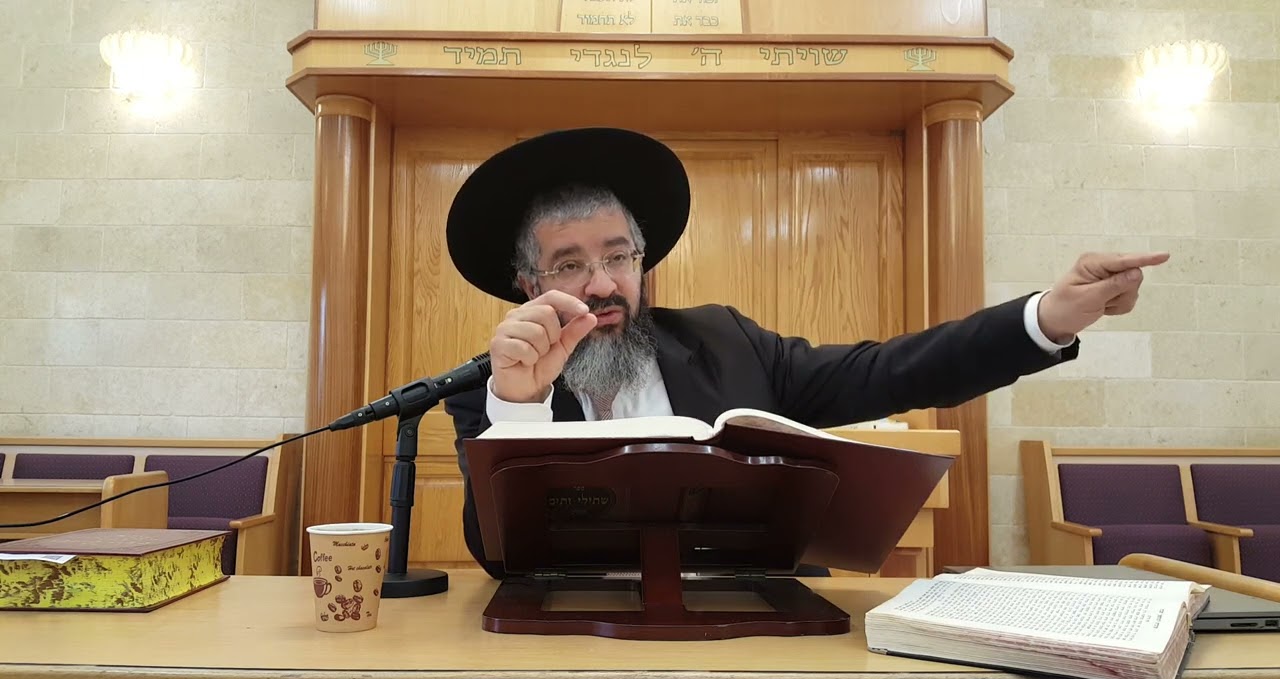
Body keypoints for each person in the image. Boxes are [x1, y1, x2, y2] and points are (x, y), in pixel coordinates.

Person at [442, 127, 1169, 579]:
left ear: (641, 261)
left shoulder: (725, 342)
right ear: (528, 285)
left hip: (758, 634)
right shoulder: (492, 389)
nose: (602, 284)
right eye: (569, 265)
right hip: (580, 641)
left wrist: (1047, 318)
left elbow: (890, 370)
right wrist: (520, 408)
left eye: (617, 255)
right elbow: (501, 557)